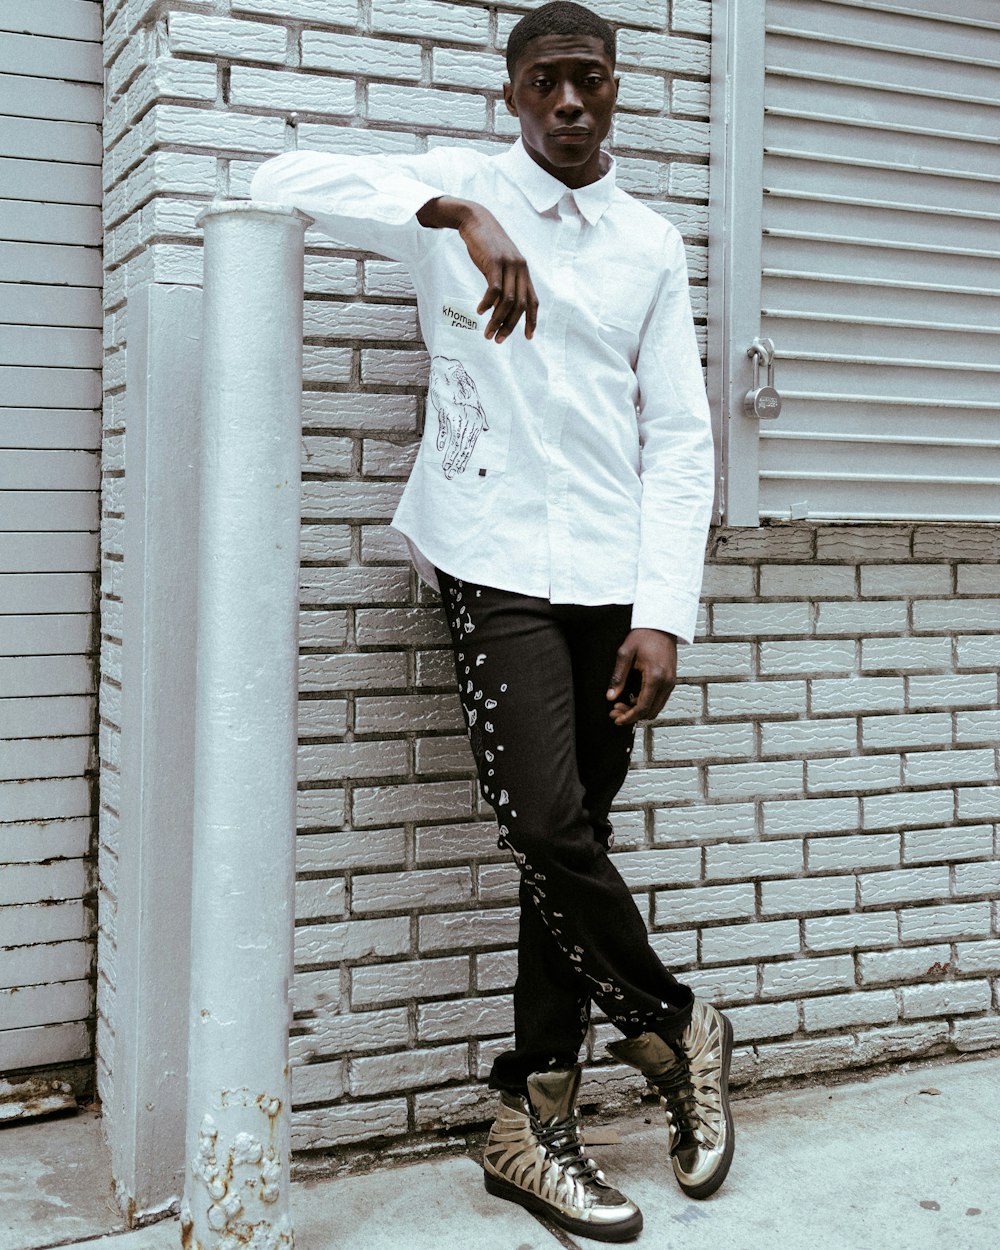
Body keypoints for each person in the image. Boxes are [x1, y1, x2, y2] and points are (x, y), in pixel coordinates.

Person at [251, 2, 732, 1240]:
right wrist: (455, 213)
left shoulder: (648, 243)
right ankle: (675, 1026)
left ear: (615, 91)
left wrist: (663, 612)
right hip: (492, 559)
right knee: (545, 818)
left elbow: (678, 438)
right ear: (512, 92)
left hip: (614, 582)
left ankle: (530, 1119)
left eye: (590, 82)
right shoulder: (457, 184)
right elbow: (276, 172)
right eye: (544, 85)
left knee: (553, 858)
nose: (568, 105)